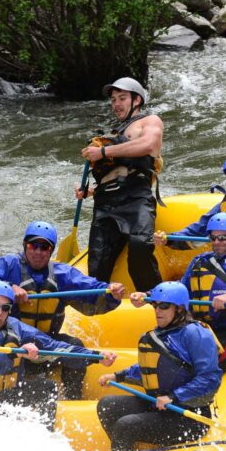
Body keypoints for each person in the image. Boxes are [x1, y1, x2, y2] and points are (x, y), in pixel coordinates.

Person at [0, 220, 125, 399]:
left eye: (44, 247)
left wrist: (112, 293)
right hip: (11, 343)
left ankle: (73, 398)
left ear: (51, 251)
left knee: (75, 345)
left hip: (45, 342)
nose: (37, 251)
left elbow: (93, 291)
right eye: (32, 245)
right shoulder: (8, 264)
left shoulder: (62, 274)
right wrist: (7, 287)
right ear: (24, 245)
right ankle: (4, 394)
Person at [0, 281, 116, 429]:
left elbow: (53, 346)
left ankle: (46, 437)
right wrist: (17, 354)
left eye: (5, 308)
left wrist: (95, 356)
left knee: (47, 388)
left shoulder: (15, 326)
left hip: (8, 396)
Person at [140, 212, 226, 372]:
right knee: (163, 361)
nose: (216, 242)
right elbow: (182, 290)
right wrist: (149, 296)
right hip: (200, 329)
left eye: (223, 238)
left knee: (193, 368)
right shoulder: (200, 261)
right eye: (213, 238)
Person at [97, 281, 222, 451]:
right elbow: (154, 368)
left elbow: (210, 379)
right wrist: (118, 376)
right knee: (107, 405)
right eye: (155, 305)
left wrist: (174, 396)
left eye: (163, 306)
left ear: (179, 309)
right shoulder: (163, 332)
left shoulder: (196, 334)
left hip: (189, 416)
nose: (157, 311)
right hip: (160, 405)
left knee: (126, 425)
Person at [77, 76, 163, 292]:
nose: (116, 104)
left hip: (135, 197)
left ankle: (159, 302)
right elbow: (114, 172)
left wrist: (103, 152)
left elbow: (147, 145)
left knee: (140, 246)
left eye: (122, 98)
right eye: (113, 100)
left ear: (137, 100)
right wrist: (90, 191)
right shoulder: (112, 134)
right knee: (97, 264)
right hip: (105, 201)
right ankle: (100, 311)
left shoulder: (149, 121)